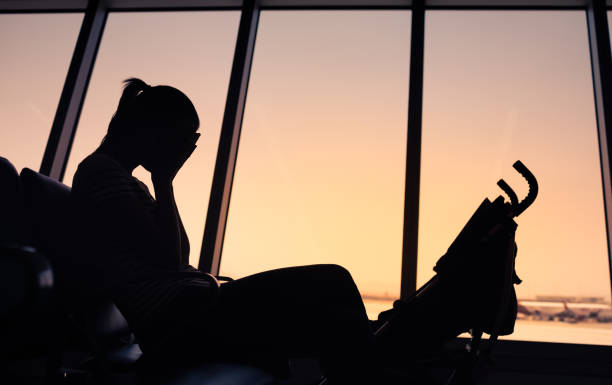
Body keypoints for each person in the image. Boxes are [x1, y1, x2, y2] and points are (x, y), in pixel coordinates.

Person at [71, 78, 519, 384]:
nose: (184, 152)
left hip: (193, 307)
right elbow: (170, 261)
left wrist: (160, 182)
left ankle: (380, 363)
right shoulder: (101, 174)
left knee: (339, 318)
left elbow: (177, 255)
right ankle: (382, 366)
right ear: (153, 132)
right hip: (181, 321)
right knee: (332, 282)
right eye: (181, 139)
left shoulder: (122, 180)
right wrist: (165, 179)